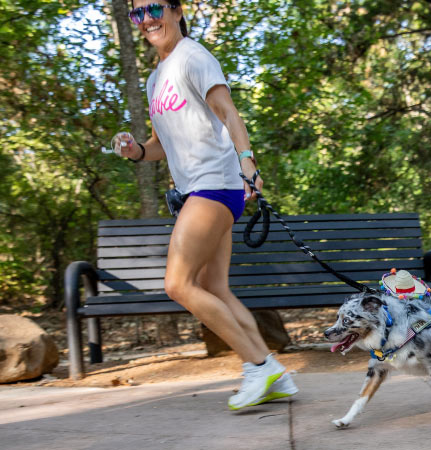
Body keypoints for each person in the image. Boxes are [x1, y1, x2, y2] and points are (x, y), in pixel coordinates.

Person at [112, 0, 297, 410]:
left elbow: (227, 111)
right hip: (203, 189)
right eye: (137, 14)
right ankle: (274, 373)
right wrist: (136, 151)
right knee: (215, 288)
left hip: (214, 184)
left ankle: (257, 367)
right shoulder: (155, 79)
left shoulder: (194, 57)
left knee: (178, 285)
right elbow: (162, 145)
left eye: (154, 9)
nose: (147, 20)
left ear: (177, 11)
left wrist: (248, 161)